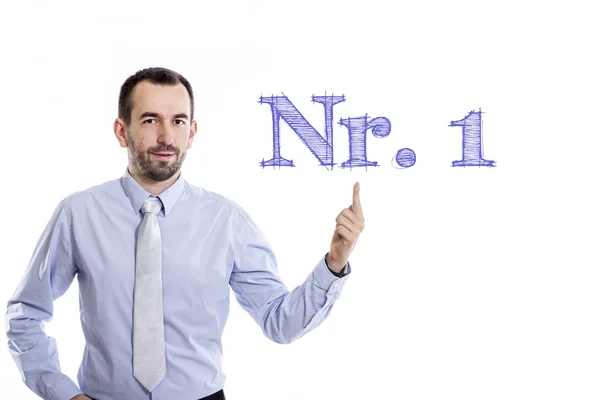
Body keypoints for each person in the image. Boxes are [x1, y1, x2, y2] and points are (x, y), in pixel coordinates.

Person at [5, 67, 365, 400]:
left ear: (192, 132)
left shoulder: (226, 221)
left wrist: (335, 262)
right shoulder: (78, 214)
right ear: (121, 131)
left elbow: (279, 323)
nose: (166, 137)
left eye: (178, 121)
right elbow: (25, 316)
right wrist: (62, 393)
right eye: (150, 120)